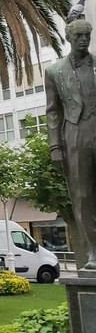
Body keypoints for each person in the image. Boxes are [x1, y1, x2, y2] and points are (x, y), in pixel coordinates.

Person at [46, 16, 96, 271]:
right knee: (82, 196)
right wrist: (55, 146)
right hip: (74, 134)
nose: (84, 40)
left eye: (87, 35)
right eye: (79, 36)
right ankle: (93, 253)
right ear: (69, 38)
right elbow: (53, 111)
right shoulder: (54, 72)